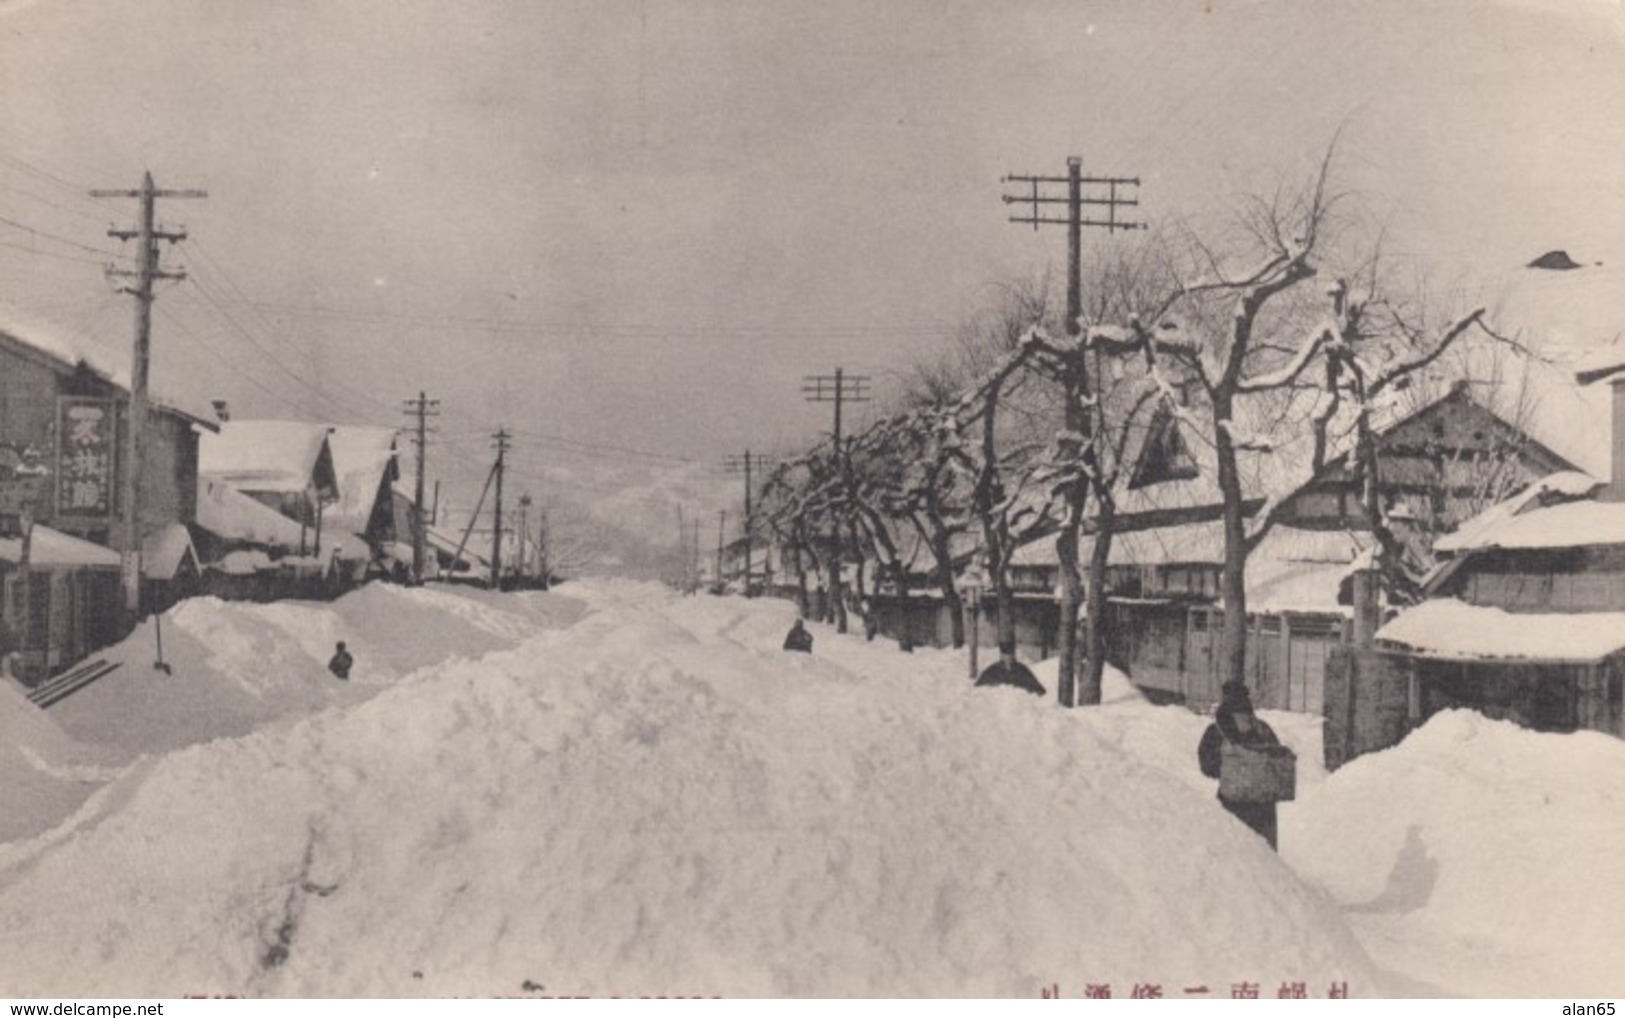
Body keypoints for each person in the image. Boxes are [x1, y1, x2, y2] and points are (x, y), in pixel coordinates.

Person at [1199, 681, 1288, 849]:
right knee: (1263, 858)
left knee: (1235, 857)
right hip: (1263, 808)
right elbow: (1277, 760)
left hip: (1232, 802)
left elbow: (1206, 765)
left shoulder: (1216, 730)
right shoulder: (1263, 728)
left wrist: (1232, 771)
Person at [974, 641, 1045, 696]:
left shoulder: (1021, 669)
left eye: (1011, 655)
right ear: (1001, 656)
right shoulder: (993, 670)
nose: (1009, 658)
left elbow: (1038, 689)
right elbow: (978, 688)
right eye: (1006, 655)